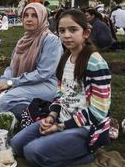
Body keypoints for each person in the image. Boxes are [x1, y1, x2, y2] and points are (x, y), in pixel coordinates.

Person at [11, 9, 111, 167]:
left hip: (86, 129)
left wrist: (60, 127)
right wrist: (51, 116)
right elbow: (60, 95)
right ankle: (59, 147)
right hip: (60, 120)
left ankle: (87, 157)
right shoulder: (65, 59)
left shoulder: (95, 63)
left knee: (32, 151)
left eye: (73, 30)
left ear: (86, 32)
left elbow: (99, 111)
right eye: (62, 31)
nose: (66, 35)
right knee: (16, 144)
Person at [0, 3, 62, 120]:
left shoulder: (51, 40)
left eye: (34, 16)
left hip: (46, 84)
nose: (29, 19)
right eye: (26, 16)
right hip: (21, 82)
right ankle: (2, 117)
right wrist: (3, 82)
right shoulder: (22, 41)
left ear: (42, 18)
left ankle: (42, 112)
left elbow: (43, 73)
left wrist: (11, 83)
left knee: (5, 101)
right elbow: (11, 68)